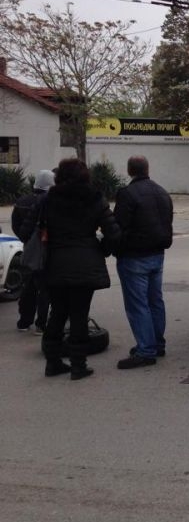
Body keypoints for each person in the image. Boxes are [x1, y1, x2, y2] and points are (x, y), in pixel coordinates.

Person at [19, 159, 120, 380]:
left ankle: (53, 362)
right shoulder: (95, 199)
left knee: (57, 313)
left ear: (59, 176)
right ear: (85, 176)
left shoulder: (46, 200)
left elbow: (25, 231)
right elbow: (113, 234)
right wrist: (101, 249)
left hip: (53, 263)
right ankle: (78, 365)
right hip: (86, 263)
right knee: (79, 314)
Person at [113, 156, 174, 369]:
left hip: (134, 256)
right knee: (155, 300)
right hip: (158, 254)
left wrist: (113, 248)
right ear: (148, 169)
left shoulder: (127, 194)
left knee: (138, 304)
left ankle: (146, 349)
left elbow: (118, 226)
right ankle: (156, 343)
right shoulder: (162, 192)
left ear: (130, 171)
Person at [12, 170, 55, 333]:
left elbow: (16, 225)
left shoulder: (22, 201)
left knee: (28, 286)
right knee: (45, 288)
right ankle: (41, 324)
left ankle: (24, 321)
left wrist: (28, 241)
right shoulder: (49, 201)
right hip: (46, 250)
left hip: (29, 250)